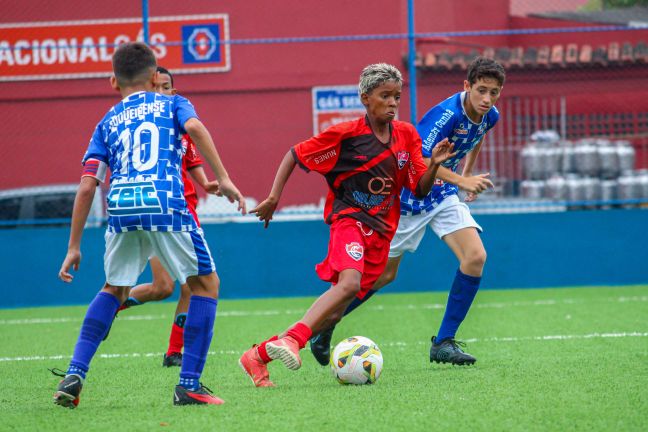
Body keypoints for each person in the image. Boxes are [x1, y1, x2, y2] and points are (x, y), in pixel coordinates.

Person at [53, 42, 245, 408]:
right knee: (205, 285)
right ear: (157, 77)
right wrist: (224, 176)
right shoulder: (173, 102)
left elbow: (87, 186)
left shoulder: (106, 121)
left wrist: (74, 246)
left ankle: (74, 373)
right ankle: (188, 385)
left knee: (114, 288)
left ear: (113, 81)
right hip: (164, 201)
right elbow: (195, 127)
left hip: (121, 206)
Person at [239, 63, 455, 387]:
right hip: (349, 220)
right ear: (366, 98)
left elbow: (419, 188)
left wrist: (434, 165)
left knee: (336, 312)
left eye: (397, 96)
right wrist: (273, 197)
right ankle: (292, 341)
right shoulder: (346, 134)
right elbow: (295, 154)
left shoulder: (407, 135)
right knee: (349, 285)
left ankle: (256, 357)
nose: (393, 102)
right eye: (385, 96)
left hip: (382, 233)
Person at [309, 56, 505, 367]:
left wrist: (466, 178)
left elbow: (476, 138)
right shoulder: (444, 116)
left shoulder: (490, 115)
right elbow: (423, 163)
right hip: (409, 197)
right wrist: (463, 179)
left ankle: (443, 342)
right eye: (481, 90)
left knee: (475, 257)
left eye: (494, 92)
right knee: (383, 275)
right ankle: (324, 325)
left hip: (443, 196)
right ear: (466, 86)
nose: (487, 99)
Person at [115, 66, 221, 368]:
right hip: (160, 211)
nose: (162, 91)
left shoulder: (179, 127)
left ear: (173, 91)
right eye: (156, 86)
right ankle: (113, 306)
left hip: (183, 213)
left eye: (167, 86)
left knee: (169, 287)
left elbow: (194, 165)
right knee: (186, 285)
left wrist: (209, 183)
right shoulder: (147, 127)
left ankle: (174, 351)